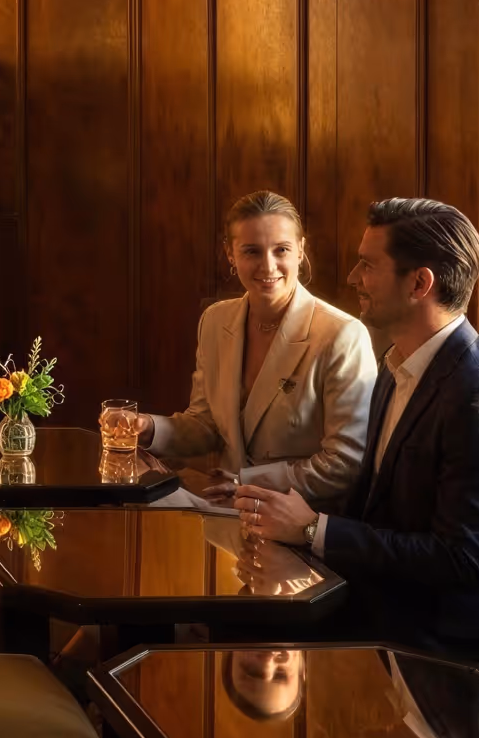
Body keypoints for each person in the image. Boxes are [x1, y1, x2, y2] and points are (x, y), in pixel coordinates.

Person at [234, 198, 479, 658]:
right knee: (238, 617)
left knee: (250, 639)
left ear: (419, 283)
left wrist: (312, 530)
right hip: (386, 606)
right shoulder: (396, 363)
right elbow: (375, 509)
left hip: (453, 647)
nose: (352, 277)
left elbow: (460, 561)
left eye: (367, 265)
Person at [140, 191, 377, 504]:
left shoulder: (343, 335)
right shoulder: (215, 320)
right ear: (230, 253)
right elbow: (205, 424)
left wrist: (245, 482)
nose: (268, 266)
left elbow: (344, 464)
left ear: (300, 250)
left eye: (281, 250)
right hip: (224, 510)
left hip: (297, 519)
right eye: (252, 251)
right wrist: (147, 428)